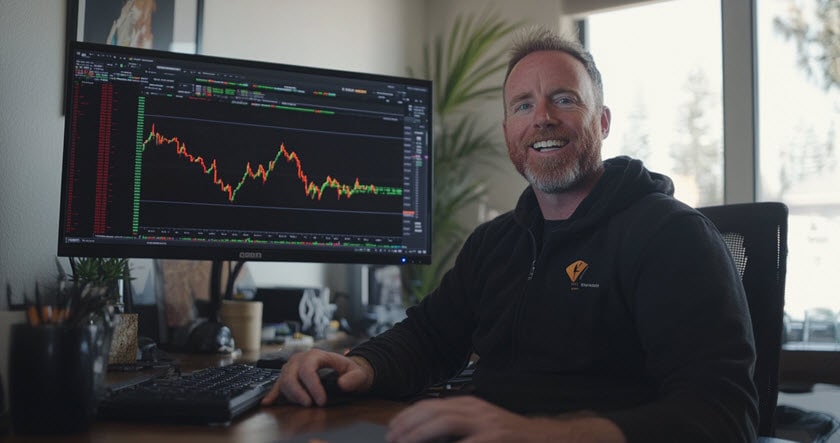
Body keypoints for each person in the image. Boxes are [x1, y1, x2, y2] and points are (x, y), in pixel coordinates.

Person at [261, 27, 759, 443]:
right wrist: (362, 365)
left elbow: (721, 415)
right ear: (507, 133)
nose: (541, 116)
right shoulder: (496, 242)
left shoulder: (671, 236)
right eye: (522, 105)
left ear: (602, 123)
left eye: (563, 99)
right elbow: (431, 336)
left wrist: (542, 435)